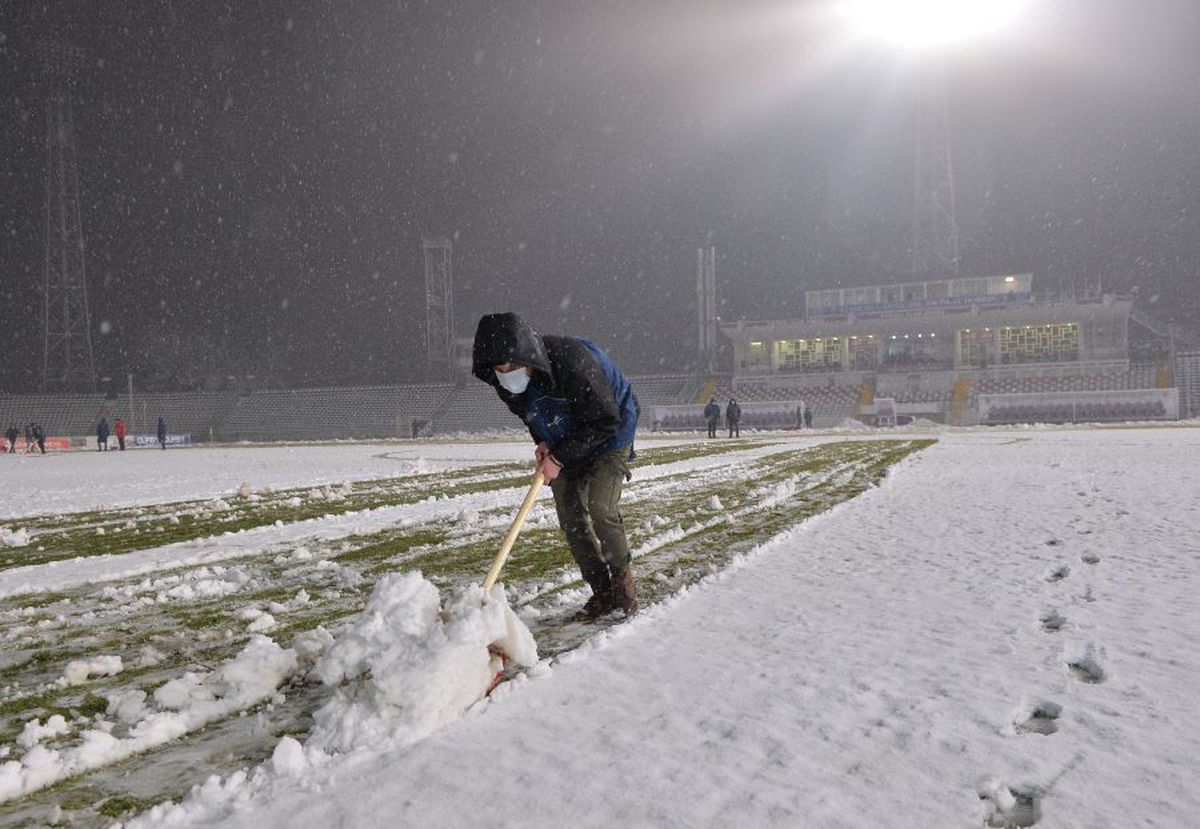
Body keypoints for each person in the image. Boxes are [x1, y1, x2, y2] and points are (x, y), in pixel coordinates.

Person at [473, 312, 640, 619]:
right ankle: (601, 592)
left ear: (527, 356)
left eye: (510, 366)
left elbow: (605, 419)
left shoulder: (572, 362)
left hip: (610, 431)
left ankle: (622, 585)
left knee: (601, 508)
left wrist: (559, 458)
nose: (505, 374)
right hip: (565, 437)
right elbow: (531, 416)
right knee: (570, 517)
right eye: (499, 369)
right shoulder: (506, 384)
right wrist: (544, 443)